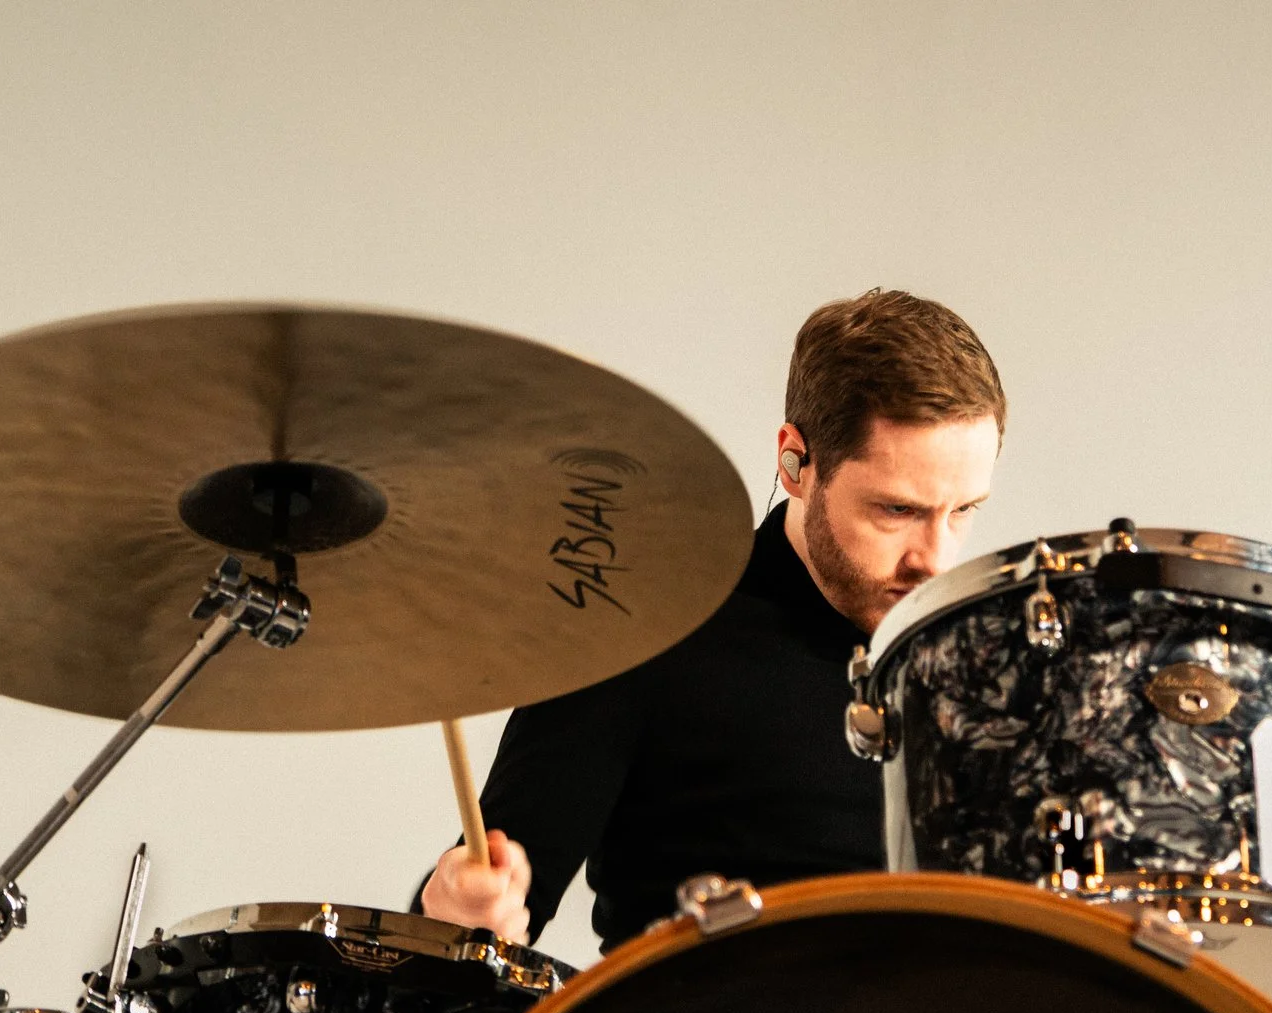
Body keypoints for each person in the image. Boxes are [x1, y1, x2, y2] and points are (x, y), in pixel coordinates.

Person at [418, 290, 1006, 949]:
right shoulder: (648, 634)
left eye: (962, 512)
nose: (934, 558)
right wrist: (458, 908)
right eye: (897, 511)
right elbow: (469, 918)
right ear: (796, 463)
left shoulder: (982, 669)